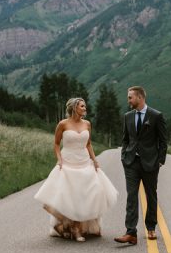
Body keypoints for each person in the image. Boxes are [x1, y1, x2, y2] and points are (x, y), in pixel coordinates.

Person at [34, 98, 118, 242]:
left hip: (84, 162)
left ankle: (82, 226)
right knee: (69, 195)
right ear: (74, 108)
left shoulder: (87, 124)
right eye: (82, 106)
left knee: (91, 192)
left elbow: (89, 144)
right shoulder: (63, 124)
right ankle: (74, 228)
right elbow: (56, 144)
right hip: (68, 162)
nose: (85, 108)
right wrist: (59, 159)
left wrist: (94, 159)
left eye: (85, 106)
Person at [115, 86, 167, 245]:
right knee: (131, 196)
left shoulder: (156, 116)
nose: (128, 100)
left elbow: (163, 141)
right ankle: (131, 232)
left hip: (150, 163)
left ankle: (151, 227)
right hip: (131, 162)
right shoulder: (127, 116)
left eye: (130, 97)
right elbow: (126, 139)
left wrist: (160, 160)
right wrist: (124, 156)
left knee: (151, 195)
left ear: (140, 97)